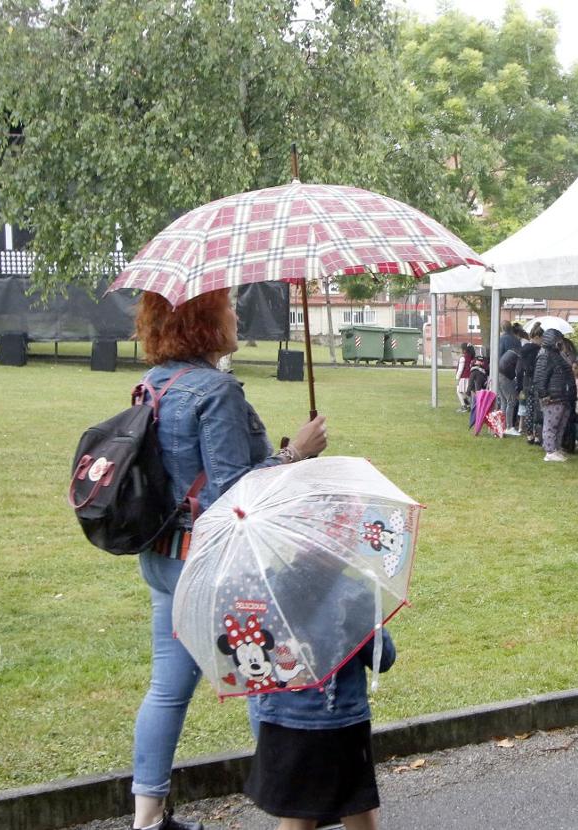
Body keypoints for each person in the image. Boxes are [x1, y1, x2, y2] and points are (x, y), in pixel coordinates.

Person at [130, 291, 329, 830]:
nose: (237, 315)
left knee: (167, 689)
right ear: (203, 321)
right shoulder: (216, 390)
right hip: (218, 566)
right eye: (228, 308)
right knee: (263, 682)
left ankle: (147, 820)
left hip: (166, 559)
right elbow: (229, 494)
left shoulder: (155, 382)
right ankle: (295, 810)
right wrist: (295, 453)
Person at [244, 567, 395, 830]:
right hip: (339, 725)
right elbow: (383, 658)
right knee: (355, 804)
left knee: (298, 813)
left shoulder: (266, 593)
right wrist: (375, 617)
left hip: (283, 725)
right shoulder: (354, 595)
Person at [534, 328, 574, 462]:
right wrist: (544, 394)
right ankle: (550, 451)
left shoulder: (556, 355)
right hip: (553, 396)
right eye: (558, 340)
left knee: (559, 425)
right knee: (551, 425)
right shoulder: (545, 355)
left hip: (561, 395)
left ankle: (555, 448)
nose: (561, 343)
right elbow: (540, 377)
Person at [517, 326, 543, 446]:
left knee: (529, 409)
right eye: (542, 338)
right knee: (537, 409)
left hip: (526, 382)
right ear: (537, 337)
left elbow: (519, 369)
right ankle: (537, 436)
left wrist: (520, 386)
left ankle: (529, 435)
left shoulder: (523, 350)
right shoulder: (540, 351)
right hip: (537, 381)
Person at [454, 343, 475, 412]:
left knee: (459, 391)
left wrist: (457, 378)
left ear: (464, 350)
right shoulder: (472, 357)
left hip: (464, 377)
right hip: (470, 377)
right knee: (466, 392)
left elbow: (460, 370)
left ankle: (464, 406)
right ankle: (468, 405)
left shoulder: (463, 358)